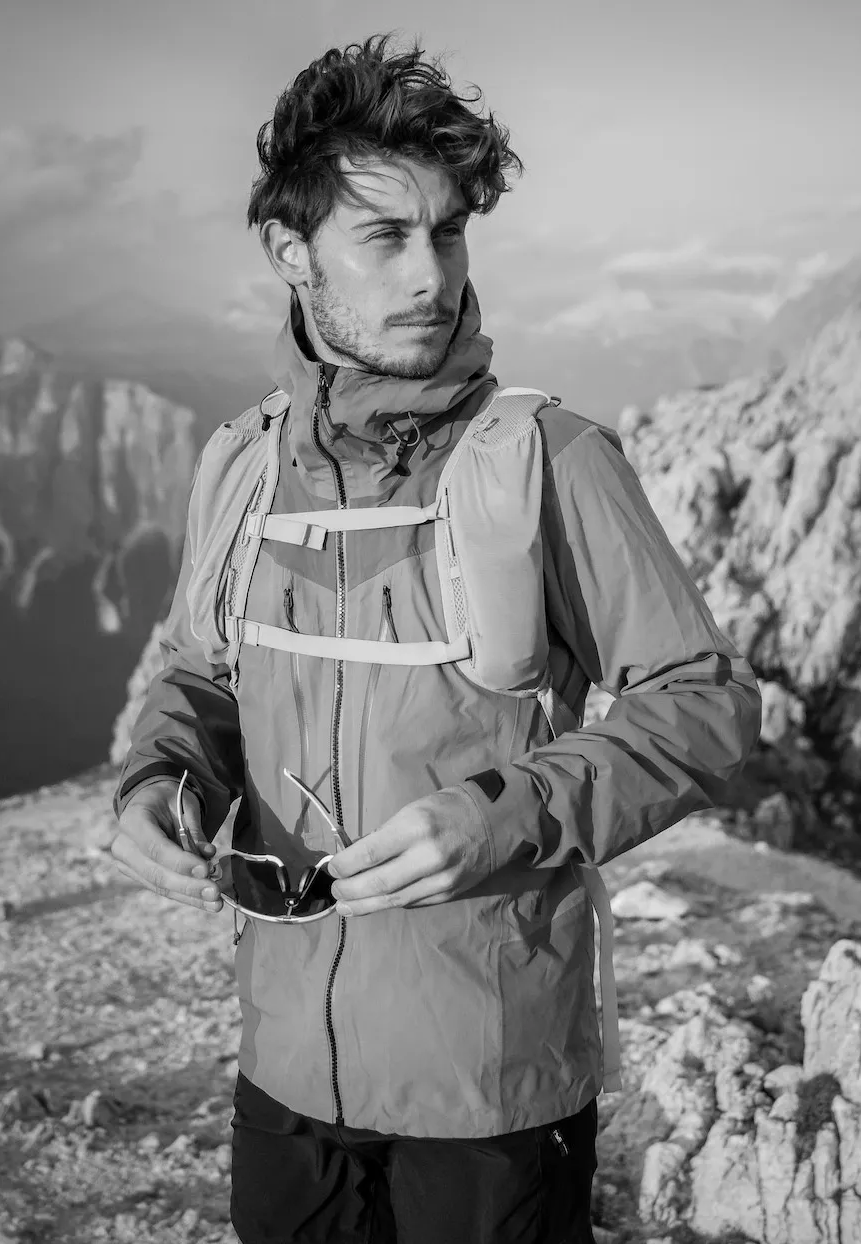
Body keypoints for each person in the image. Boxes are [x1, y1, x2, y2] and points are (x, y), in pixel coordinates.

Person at [101, 32, 762, 1244]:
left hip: (492, 1085)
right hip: (288, 1072)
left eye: (448, 232)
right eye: (386, 237)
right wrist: (160, 775)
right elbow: (203, 670)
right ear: (291, 252)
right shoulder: (243, 462)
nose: (433, 275)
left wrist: (499, 814)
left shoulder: (549, 459)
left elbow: (705, 707)